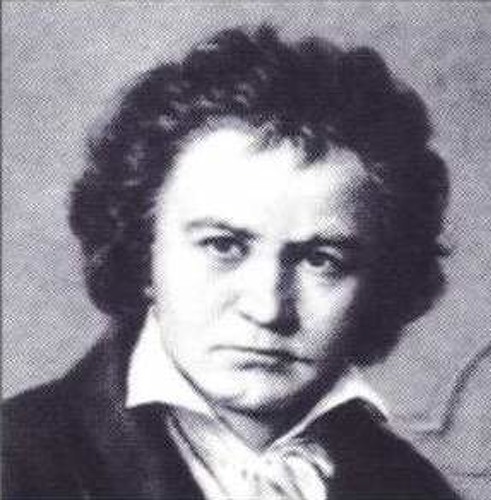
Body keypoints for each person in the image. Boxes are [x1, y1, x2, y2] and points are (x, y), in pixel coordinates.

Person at [3, 25, 459, 499]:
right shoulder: (19, 461)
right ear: (142, 252)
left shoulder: (415, 488)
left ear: (381, 283)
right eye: (223, 246)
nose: (268, 308)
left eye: (321, 260)